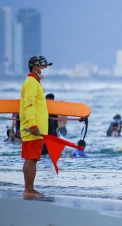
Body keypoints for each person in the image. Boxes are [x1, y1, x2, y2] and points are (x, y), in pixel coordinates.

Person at [20, 55, 52, 196]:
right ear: (35, 68)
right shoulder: (32, 82)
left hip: (36, 130)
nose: (46, 69)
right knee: (31, 158)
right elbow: (29, 104)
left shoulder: (34, 82)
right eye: (43, 66)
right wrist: (33, 125)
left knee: (32, 158)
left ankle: (29, 188)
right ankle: (29, 189)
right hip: (33, 129)